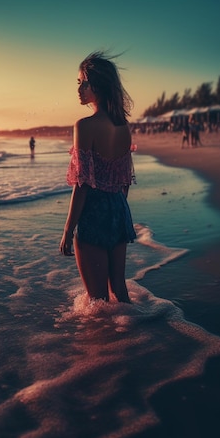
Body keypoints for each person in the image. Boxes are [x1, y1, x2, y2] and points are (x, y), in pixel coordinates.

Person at [59, 51, 136, 303]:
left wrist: (69, 229)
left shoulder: (84, 126)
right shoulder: (123, 126)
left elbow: (82, 185)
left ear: (98, 85)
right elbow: (123, 182)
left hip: (94, 215)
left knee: (97, 301)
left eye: (83, 82)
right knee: (120, 291)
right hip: (119, 212)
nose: (79, 89)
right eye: (78, 83)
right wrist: (116, 211)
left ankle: (107, 343)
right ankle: (140, 337)